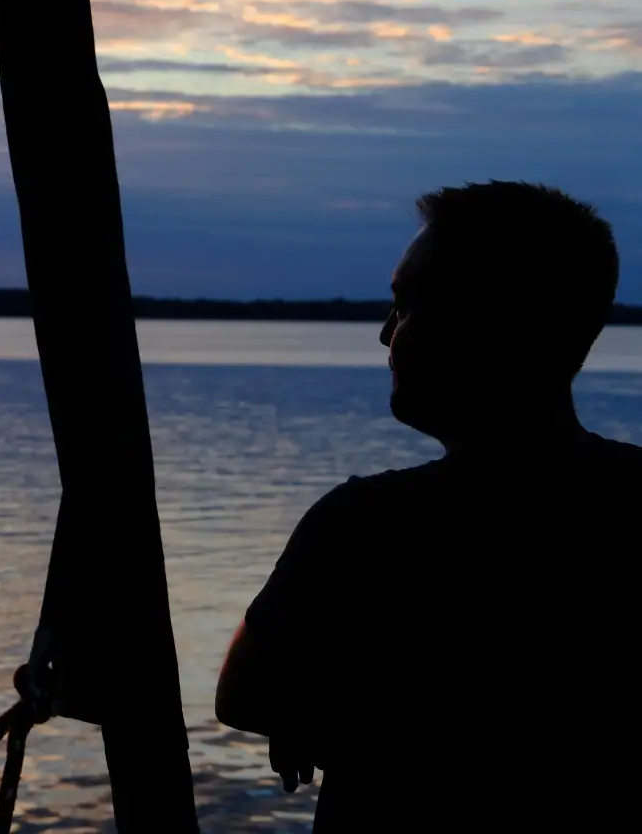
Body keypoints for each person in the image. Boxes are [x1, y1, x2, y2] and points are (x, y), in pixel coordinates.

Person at [215, 180, 641, 832]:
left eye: (406, 305)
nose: (386, 334)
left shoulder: (367, 526)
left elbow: (248, 693)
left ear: (488, 320)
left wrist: (326, 708)